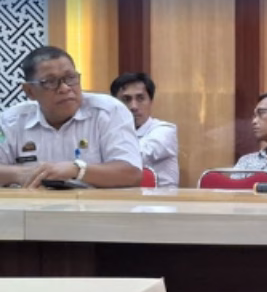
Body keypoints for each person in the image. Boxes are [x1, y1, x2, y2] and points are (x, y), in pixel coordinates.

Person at [0, 46, 141, 188]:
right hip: (32, 202)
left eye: (71, 78)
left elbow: (132, 174)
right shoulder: (10, 121)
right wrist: (20, 174)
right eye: (50, 81)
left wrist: (77, 170)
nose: (65, 88)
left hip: (93, 202)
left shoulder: (109, 111)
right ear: (30, 91)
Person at [111, 72, 179, 187]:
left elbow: (132, 158)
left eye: (140, 98)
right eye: (126, 99)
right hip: (121, 197)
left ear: (151, 102)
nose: (133, 106)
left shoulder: (165, 131)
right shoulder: (112, 133)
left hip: (159, 198)